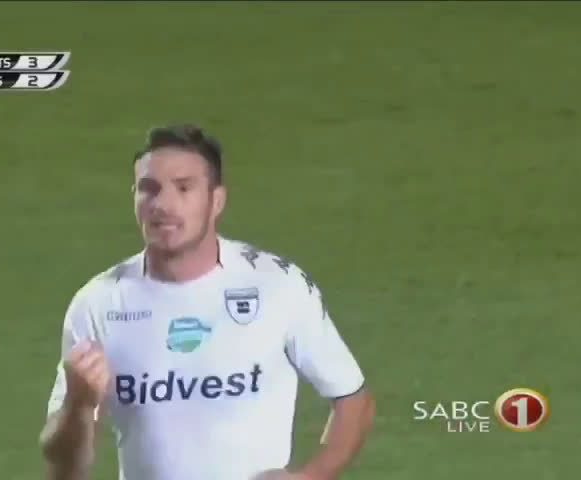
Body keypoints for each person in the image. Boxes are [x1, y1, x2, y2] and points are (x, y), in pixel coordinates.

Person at [39, 124, 375, 480]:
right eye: (149, 189)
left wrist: (309, 477)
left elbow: (354, 401)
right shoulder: (99, 304)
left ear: (216, 201)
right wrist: (78, 405)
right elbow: (63, 470)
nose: (162, 205)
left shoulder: (278, 286)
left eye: (183, 188)